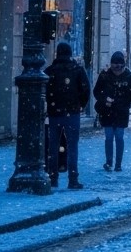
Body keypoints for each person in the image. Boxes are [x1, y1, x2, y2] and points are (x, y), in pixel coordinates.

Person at [44, 42, 91, 189]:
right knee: (72, 147)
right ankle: (73, 178)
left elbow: (45, 92)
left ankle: (53, 177)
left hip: (55, 113)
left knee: (53, 147)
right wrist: (80, 105)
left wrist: (51, 103)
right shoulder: (77, 70)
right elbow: (85, 90)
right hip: (72, 113)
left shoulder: (50, 71)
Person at [93, 50, 131, 172]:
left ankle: (116, 163)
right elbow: (97, 91)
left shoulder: (125, 76)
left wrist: (119, 102)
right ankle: (110, 161)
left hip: (119, 111)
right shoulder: (107, 75)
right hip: (109, 110)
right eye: (115, 66)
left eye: (119, 66)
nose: (117, 69)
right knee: (110, 137)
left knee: (117, 137)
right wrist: (105, 99)